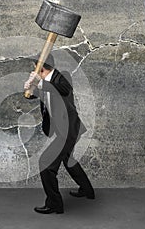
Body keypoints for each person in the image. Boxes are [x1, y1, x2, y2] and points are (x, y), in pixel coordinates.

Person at [24, 54, 95, 214]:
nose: (32, 70)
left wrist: (39, 82)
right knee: (68, 159)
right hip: (63, 130)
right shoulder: (44, 83)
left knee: (46, 165)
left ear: (40, 68)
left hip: (69, 130)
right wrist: (28, 88)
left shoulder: (62, 77)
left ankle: (54, 204)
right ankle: (87, 191)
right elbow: (37, 94)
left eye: (34, 68)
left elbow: (62, 89)